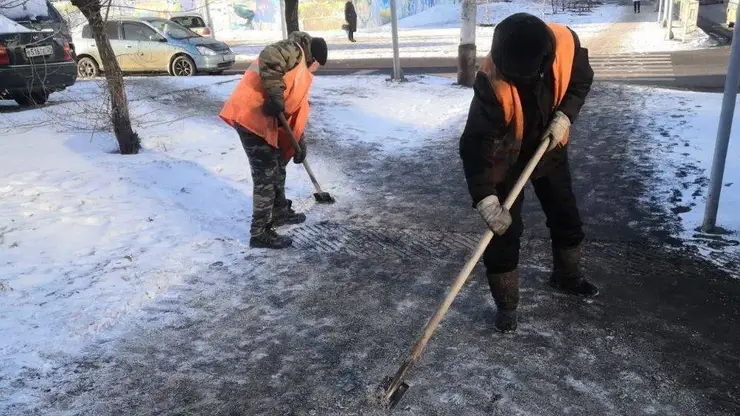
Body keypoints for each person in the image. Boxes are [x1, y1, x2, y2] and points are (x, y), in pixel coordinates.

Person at [459, 13, 598, 334]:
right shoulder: (490, 80)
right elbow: (476, 142)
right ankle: (506, 305)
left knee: (566, 215)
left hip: (549, 147)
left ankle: (567, 276)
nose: (517, 82)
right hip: (506, 158)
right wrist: (485, 197)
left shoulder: (565, 43)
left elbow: (580, 81)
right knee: (504, 231)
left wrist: (565, 114)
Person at [219, 31, 328, 249]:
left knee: (278, 165)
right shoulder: (294, 50)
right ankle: (259, 232)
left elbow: (293, 111)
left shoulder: (298, 68)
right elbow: (269, 56)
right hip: (250, 116)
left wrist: (300, 143)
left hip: (263, 120)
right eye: (318, 66)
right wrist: (275, 96)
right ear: (313, 58)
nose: (316, 71)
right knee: (266, 175)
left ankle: (279, 211)